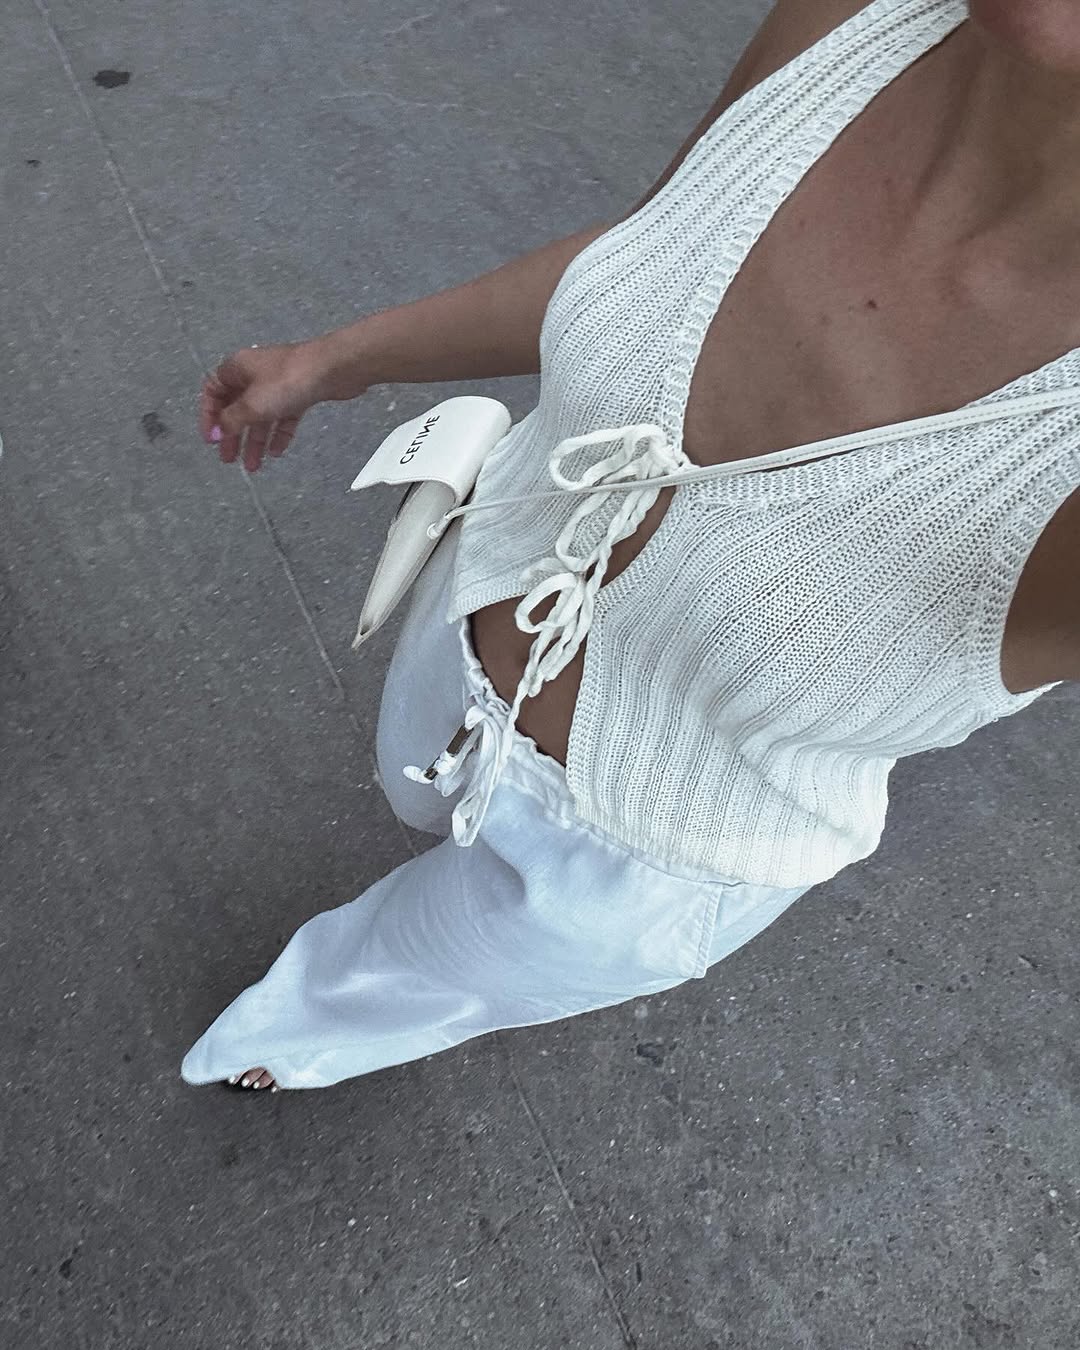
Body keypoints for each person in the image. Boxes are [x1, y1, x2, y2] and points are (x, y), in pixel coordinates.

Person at [181, 0, 1080, 1094]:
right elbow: (654, 248)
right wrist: (340, 358)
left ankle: (303, 1031)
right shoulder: (856, 20)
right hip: (472, 601)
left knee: (419, 970)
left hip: (634, 862)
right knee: (411, 791)